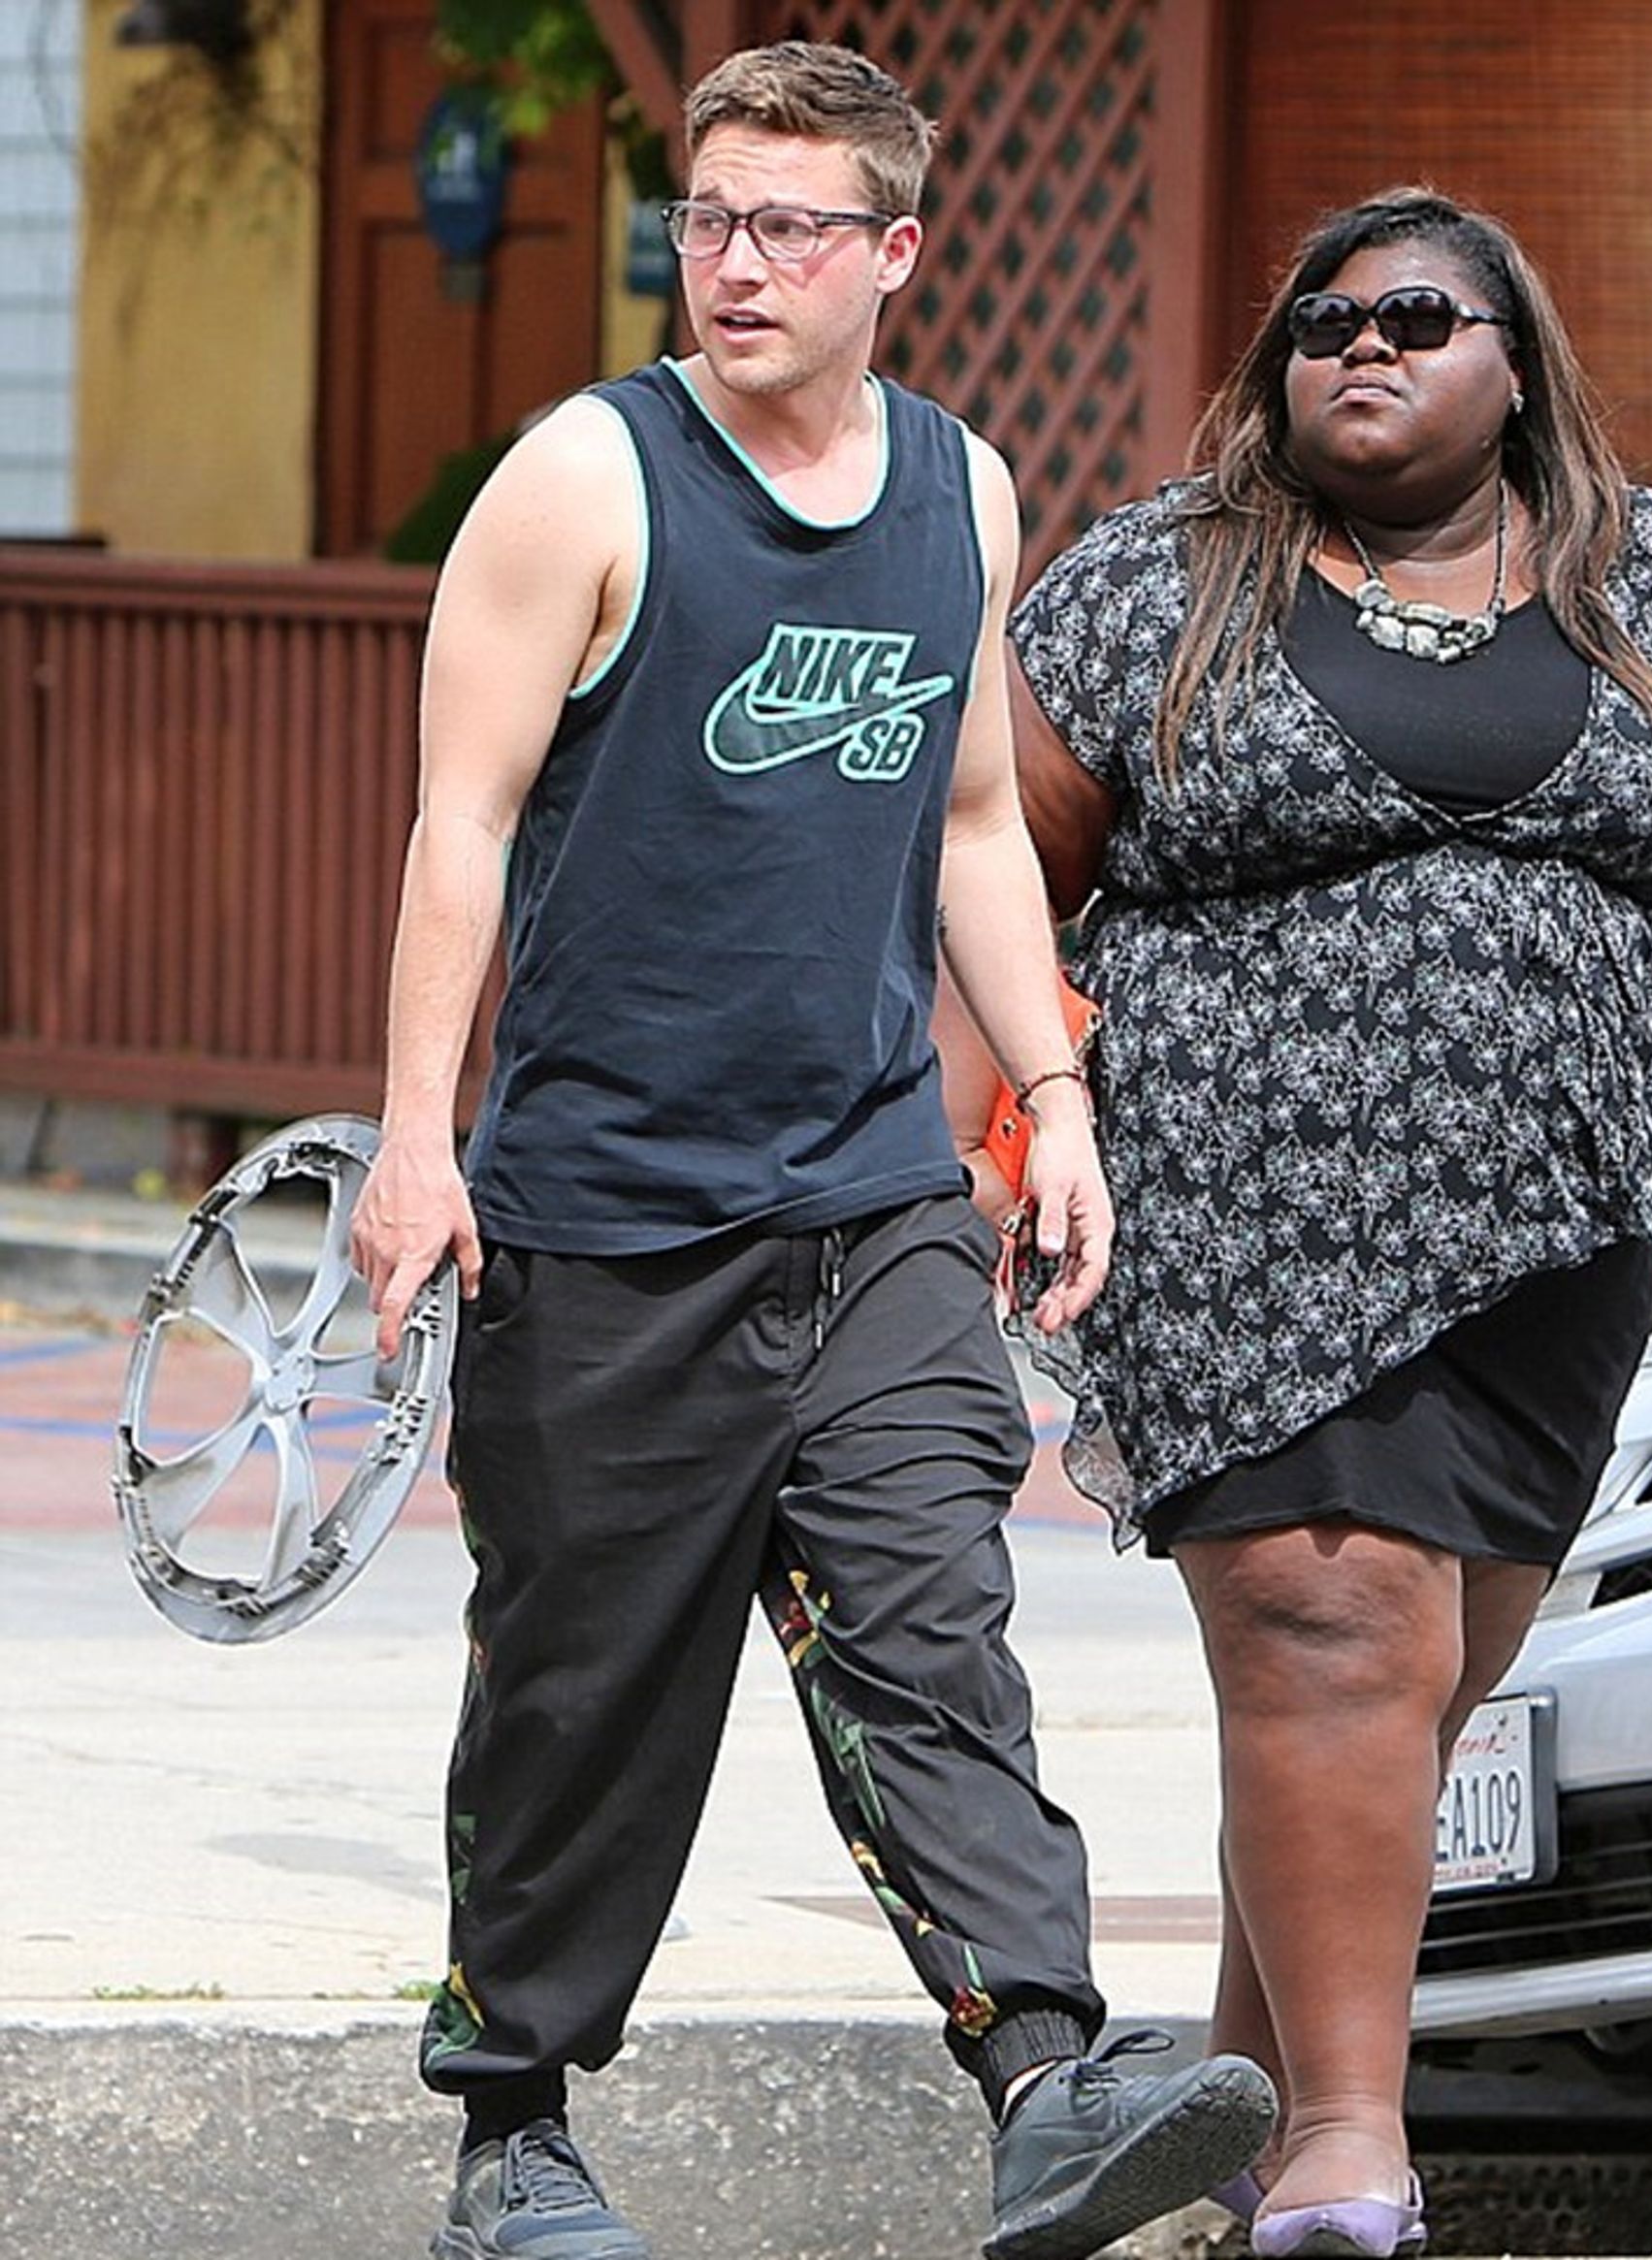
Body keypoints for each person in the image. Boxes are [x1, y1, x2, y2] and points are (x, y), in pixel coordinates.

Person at [350, 40, 1273, 2260]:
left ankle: (1045, 2070)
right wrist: (411, 1139)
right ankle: (518, 2137)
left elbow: (966, 816)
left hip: (867, 1202)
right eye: (708, 220)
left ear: (893, 256)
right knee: (586, 1692)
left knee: (931, 1627)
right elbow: (458, 824)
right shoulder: (587, 481)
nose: (731, 264)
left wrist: (1050, 1091)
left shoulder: (962, 490)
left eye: (785, 229)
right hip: (602, 1211)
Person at [1001, 186, 1652, 2260]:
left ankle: (1236, 2100)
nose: (1358, 347)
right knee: (1330, 1629)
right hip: (1246, 1211)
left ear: (1513, 365)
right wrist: (1006, 1107)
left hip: (1550, 1236)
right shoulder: (1163, 578)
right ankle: (1351, 2155)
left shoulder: (1650, 588)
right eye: (1320, 320)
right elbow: (996, 844)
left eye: (1413, 317)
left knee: (1416, 1672)